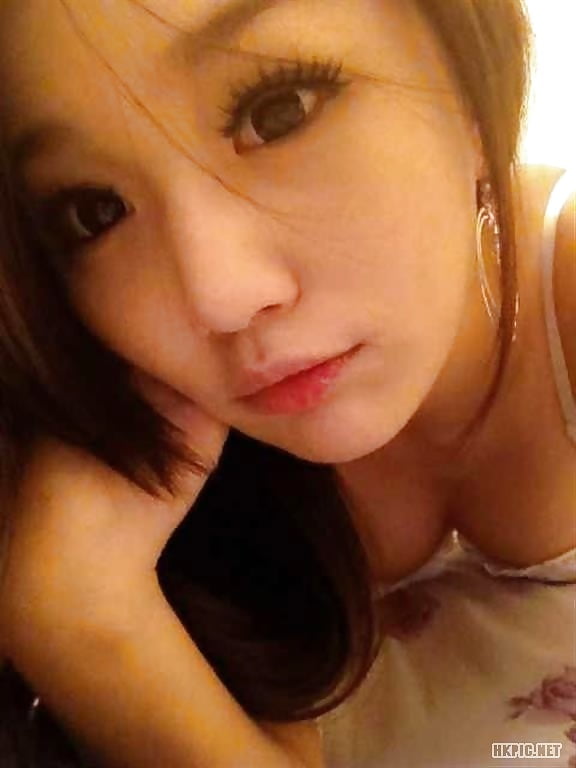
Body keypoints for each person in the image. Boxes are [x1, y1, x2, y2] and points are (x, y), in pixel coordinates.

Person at [0, 0, 573, 766]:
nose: (217, 297)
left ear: (469, 73)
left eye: (278, 112)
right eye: (94, 211)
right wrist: (86, 621)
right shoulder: (150, 469)